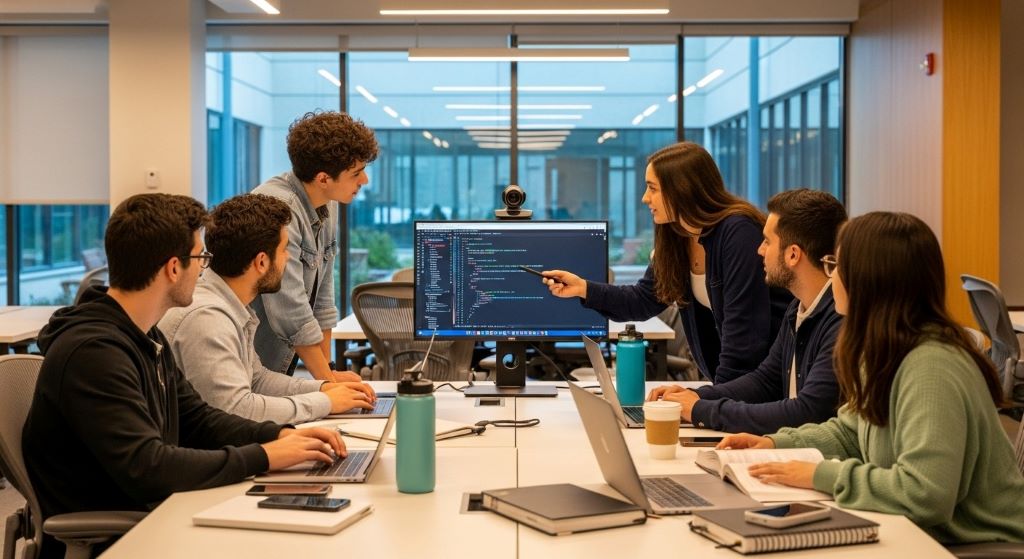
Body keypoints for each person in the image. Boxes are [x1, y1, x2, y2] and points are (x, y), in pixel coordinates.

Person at [22, 193, 348, 559]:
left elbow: (198, 418)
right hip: (125, 537)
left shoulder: (145, 335)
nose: (205, 268)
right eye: (200, 257)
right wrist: (264, 456)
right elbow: (149, 466)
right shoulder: (94, 354)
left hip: (159, 514)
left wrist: (280, 436)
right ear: (173, 268)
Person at [719, 212, 1024, 545]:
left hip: (980, 545)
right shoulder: (883, 348)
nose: (831, 277)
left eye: (836, 267)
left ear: (869, 280)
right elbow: (851, 431)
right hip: (923, 535)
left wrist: (820, 475)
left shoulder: (930, 365)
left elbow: (925, 495)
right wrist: (776, 444)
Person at [544, 142, 791, 384]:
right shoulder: (678, 235)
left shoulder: (738, 233)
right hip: (732, 388)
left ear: (681, 189)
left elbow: (744, 336)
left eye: (652, 188)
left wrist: (709, 403)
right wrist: (583, 288)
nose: (644, 198)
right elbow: (642, 300)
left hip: (769, 385)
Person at [159, 194, 376, 424]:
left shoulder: (230, 305)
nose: (289, 257)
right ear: (261, 262)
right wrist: (326, 403)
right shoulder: (207, 318)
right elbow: (235, 409)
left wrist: (324, 388)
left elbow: (258, 380)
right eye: (284, 250)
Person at [648, 188, 846, 434]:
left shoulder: (841, 322)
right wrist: (693, 396)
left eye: (767, 241)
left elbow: (806, 413)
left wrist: (700, 410)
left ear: (793, 254)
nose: (759, 250)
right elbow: (765, 381)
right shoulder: (798, 307)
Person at [252, 110, 379, 380]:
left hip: (278, 366)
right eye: (356, 173)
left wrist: (327, 376)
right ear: (323, 178)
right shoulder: (281, 211)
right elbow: (291, 310)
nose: (364, 181)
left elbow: (322, 300)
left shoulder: (325, 202)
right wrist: (328, 386)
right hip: (249, 365)